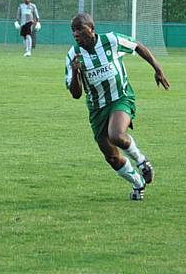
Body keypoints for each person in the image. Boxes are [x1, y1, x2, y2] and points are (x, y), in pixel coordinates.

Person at [65, 13, 170, 200]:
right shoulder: (73, 55)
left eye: (80, 29)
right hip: (97, 108)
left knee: (116, 135)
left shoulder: (111, 40)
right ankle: (138, 184)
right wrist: (75, 72)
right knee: (112, 158)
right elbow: (76, 94)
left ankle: (142, 162)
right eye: (73, 31)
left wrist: (157, 68)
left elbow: (137, 46)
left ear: (91, 28)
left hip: (120, 97)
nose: (76, 34)